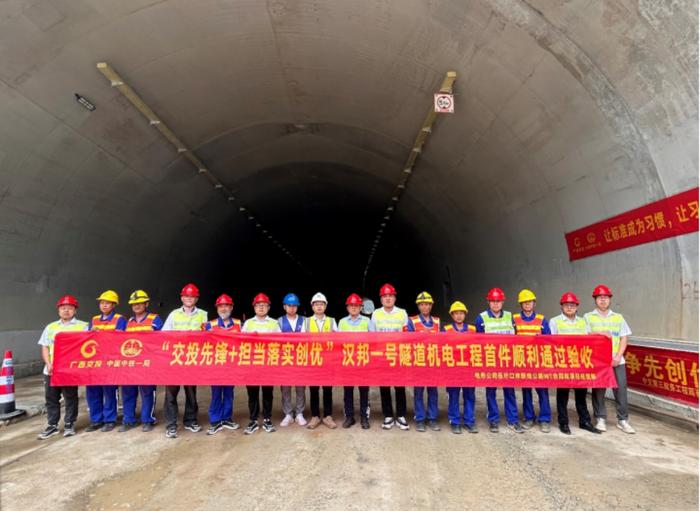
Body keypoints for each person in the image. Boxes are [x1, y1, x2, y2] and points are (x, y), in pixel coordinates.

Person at [585, 284, 635, 434]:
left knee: (620, 389)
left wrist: (618, 356)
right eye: (600, 297)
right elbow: (585, 336)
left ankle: (623, 420)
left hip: (616, 360)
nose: (603, 300)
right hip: (598, 361)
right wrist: (601, 332)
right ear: (595, 300)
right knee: (598, 389)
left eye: (605, 297)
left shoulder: (618, 317)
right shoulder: (588, 317)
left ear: (609, 299)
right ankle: (600, 418)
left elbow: (624, 337)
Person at [37, 295, 89, 439]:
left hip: (69, 370)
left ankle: (69, 424)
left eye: (70, 308)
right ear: (59, 310)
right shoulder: (51, 327)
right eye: (63, 308)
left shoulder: (83, 326)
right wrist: (48, 363)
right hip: (52, 370)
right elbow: (45, 347)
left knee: (70, 397)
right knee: (51, 398)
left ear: (75, 310)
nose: (66, 311)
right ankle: (52, 425)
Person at [549, 292, 600, 435]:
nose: (569, 307)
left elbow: (590, 339)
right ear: (562, 306)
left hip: (580, 363)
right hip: (563, 363)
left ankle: (585, 421)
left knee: (581, 394)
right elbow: (550, 343)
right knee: (563, 394)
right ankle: (563, 422)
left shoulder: (583, 321)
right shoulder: (554, 321)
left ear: (577, 307)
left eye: (572, 305)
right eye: (566, 305)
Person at [474, 288, 524, 433]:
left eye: (498, 301)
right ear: (488, 302)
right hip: (490, 361)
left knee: (509, 391)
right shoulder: (481, 318)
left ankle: (513, 420)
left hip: (507, 361)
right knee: (491, 392)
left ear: (503, 302)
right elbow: (478, 342)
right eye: (493, 301)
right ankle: (494, 420)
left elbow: (514, 337)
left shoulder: (510, 317)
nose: (496, 304)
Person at [161, 283, 208, 438]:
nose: (189, 299)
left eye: (192, 296)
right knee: (171, 394)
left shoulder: (203, 314)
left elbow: (206, 335)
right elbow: (163, 334)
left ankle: (190, 421)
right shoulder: (174, 314)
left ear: (196, 298)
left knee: (191, 392)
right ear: (182, 297)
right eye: (186, 296)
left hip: (192, 359)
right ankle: (171, 424)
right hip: (175, 359)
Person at [121, 290, 163, 433]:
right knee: (128, 392)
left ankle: (147, 420)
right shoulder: (129, 322)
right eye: (134, 304)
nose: (137, 306)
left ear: (146, 303)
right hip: (130, 363)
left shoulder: (155, 319)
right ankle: (129, 420)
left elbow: (160, 342)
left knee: (147, 392)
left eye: (139, 303)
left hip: (147, 363)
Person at [85, 290, 127, 433]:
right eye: (102, 303)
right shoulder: (94, 319)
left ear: (113, 305)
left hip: (110, 361)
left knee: (109, 391)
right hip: (95, 361)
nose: (104, 305)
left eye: (107, 303)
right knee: (93, 391)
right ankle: (96, 420)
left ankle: (109, 419)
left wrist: (101, 334)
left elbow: (119, 339)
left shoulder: (120, 319)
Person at [371, 283, 409, 431]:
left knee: (400, 386)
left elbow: (406, 335)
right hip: (382, 356)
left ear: (395, 298)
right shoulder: (376, 313)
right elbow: (372, 336)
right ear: (381, 299)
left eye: (390, 296)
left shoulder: (402, 313)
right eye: (385, 296)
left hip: (398, 355)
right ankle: (387, 415)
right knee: (384, 386)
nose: (388, 298)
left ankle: (401, 415)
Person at [513, 289, 552, 433]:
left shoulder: (542, 320)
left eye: (529, 302)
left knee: (543, 391)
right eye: (524, 302)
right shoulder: (515, 319)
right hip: (523, 361)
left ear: (534, 303)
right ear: (521, 304)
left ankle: (545, 419)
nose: (527, 304)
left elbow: (549, 340)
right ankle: (529, 417)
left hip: (539, 361)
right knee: (526, 391)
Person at [242, 293, 281, 434]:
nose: (261, 308)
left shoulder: (274, 323)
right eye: (258, 305)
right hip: (252, 364)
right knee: (252, 393)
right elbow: (241, 342)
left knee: (267, 392)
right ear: (254, 307)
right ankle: (253, 420)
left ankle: (267, 419)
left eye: (264, 305)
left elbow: (280, 342)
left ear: (269, 307)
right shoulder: (248, 323)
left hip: (267, 364)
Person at [203, 294, 241, 435]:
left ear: (231, 307)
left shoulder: (238, 324)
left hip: (231, 365)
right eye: (221, 306)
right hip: (216, 366)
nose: (224, 308)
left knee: (229, 393)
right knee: (216, 393)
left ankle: (227, 418)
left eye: (226, 306)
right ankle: (215, 421)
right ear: (217, 308)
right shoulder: (209, 325)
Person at [405, 291, 441, 432]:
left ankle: (432, 418)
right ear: (418, 306)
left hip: (433, 362)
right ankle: (419, 418)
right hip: (418, 362)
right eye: (422, 305)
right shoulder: (412, 321)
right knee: (418, 392)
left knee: (433, 392)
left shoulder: (437, 322)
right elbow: (408, 340)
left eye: (427, 304)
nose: (425, 307)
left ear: (431, 306)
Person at [339, 293, 375, 429]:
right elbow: (338, 343)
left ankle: (364, 417)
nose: (353, 308)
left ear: (361, 307)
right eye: (351, 306)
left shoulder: (367, 321)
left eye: (356, 306)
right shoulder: (342, 322)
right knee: (348, 391)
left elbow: (373, 341)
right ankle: (349, 417)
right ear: (347, 308)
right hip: (347, 362)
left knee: (364, 390)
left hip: (363, 361)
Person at [305, 292, 338, 429]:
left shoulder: (331, 321)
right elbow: (301, 341)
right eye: (316, 304)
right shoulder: (306, 322)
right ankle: (315, 416)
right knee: (313, 389)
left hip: (328, 361)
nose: (319, 306)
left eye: (321, 304)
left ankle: (328, 416)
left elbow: (338, 340)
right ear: (312, 306)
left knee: (327, 389)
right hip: (313, 360)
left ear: (325, 306)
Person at [444, 301, 478, 434]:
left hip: (468, 369)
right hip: (453, 369)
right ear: (452, 315)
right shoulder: (446, 329)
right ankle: (455, 421)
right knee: (453, 395)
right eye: (456, 313)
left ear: (465, 314)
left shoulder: (473, 329)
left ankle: (469, 421)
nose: (459, 316)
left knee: (469, 395)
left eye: (461, 313)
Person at [278, 293, 307, 427]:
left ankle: (300, 413)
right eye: (289, 305)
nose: (291, 308)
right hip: (285, 359)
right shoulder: (279, 321)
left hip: (300, 358)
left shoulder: (304, 320)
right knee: (285, 387)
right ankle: (288, 414)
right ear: (284, 306)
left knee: (300, 387)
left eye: (294, 305)